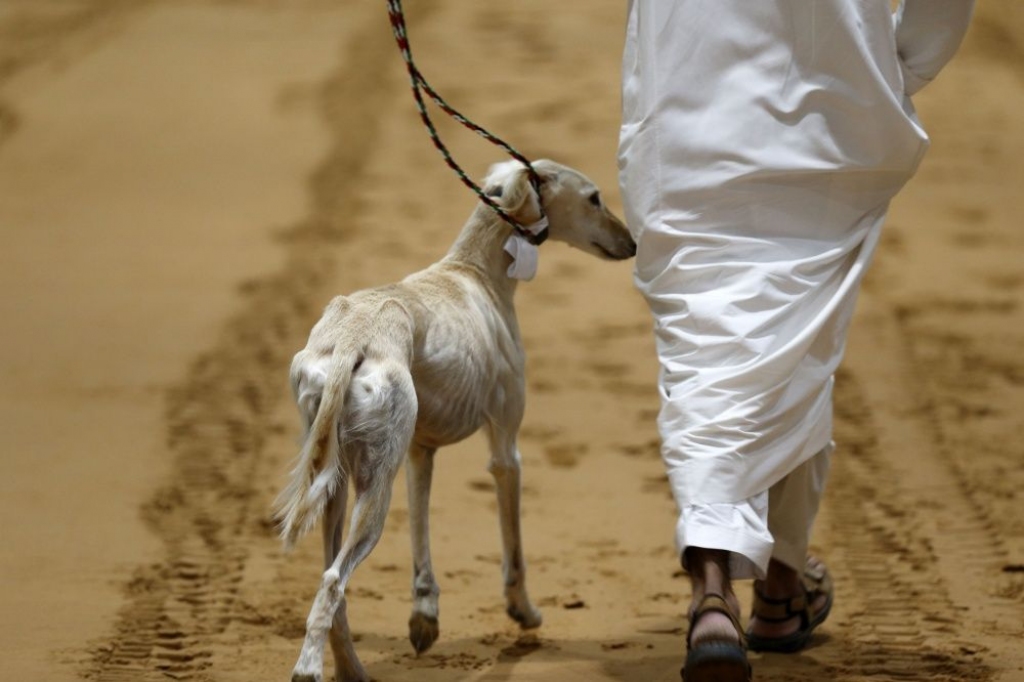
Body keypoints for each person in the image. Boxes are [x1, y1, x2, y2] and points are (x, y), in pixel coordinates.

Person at [616, 1, 975, 679]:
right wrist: (889, 73)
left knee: (706, 354)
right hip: (832, 123)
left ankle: (715, 593)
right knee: (798, 349)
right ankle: (780, 586)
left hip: (689, 115)